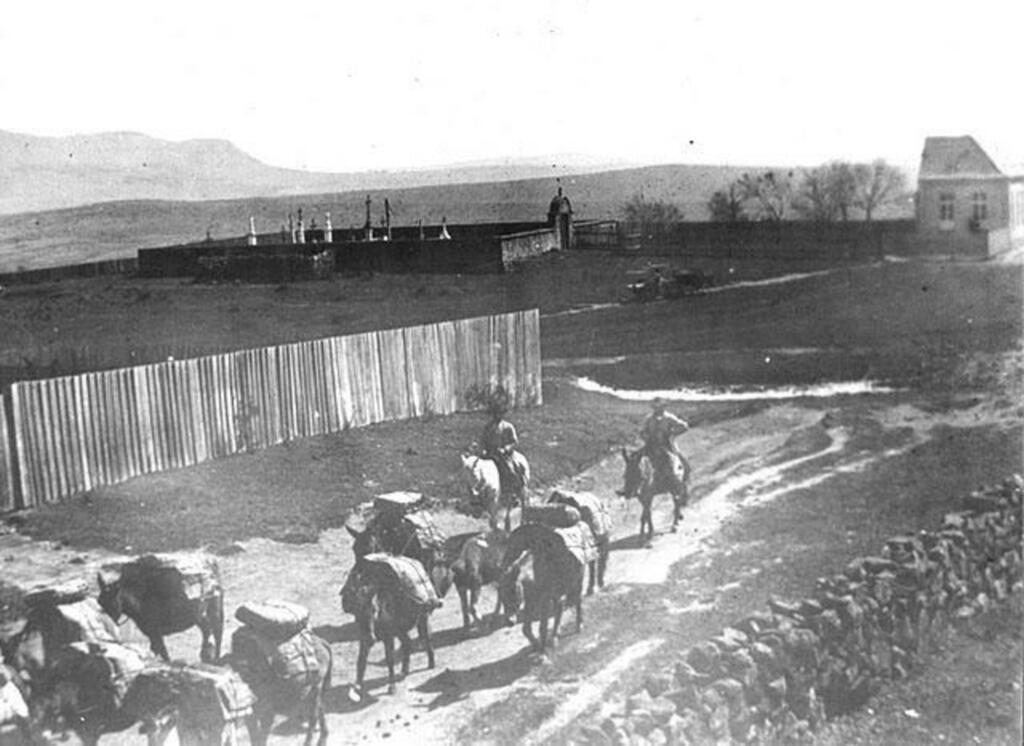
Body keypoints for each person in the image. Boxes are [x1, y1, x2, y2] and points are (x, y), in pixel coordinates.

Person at [640, 398, 689, 476]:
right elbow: (642, 432)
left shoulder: (669, 418)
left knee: (681, 461)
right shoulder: (649, 419)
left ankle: (681, 481)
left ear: (664, 407)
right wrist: (647, 437)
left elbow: (684, 426)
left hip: (667, 444)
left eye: (660, 407)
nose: (658, 410)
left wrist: (672, 433)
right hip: (651, 445)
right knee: (637, 460)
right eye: (656, 408)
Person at [480, 404, 520, 495]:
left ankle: (512, 493)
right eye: (495, 414)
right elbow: (483, 440)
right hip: (490, 454)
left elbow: (514, 442)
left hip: (503, 455)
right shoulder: (488, 427)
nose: (497, 416)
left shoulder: (508, 427)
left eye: (499, 414)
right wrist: (483, 449)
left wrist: (506, 449)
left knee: (509, 470)